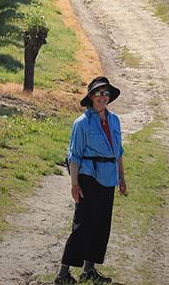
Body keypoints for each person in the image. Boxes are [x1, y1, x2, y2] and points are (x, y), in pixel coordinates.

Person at [55, 76, 127, 285]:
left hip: (109, 178)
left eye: (106, 93)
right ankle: (63, 274)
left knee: (101, 225)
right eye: (98, 93)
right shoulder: (81, 123)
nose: (102, 97)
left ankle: (89, 270)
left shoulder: (114, 120)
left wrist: (121, 177)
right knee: (83, 226)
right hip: (89, 177)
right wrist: (74, 184)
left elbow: (118, 152)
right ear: (91, 97)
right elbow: (74, 155)